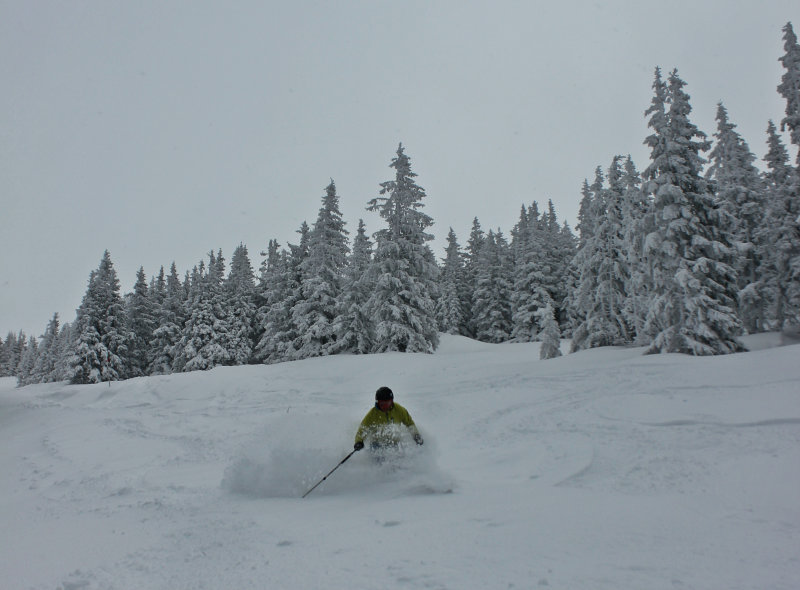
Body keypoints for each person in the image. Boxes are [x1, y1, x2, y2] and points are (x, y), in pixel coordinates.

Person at [354, 386, 423, 452]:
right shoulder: (372, 414)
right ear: (377, 402)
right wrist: (358, 442)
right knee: (379, 461)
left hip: (395, 442)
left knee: (399, 459)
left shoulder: (399, 410)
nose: (385, 406)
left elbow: (409, 423)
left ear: (392, 401)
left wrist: (416, 435)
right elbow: (363, 429)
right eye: (382, 404)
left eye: (388, 403)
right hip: (377, 444)